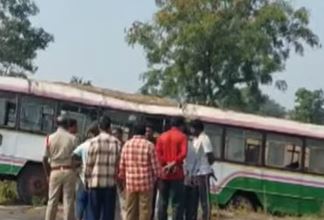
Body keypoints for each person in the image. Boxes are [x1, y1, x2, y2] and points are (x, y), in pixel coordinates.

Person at [118, 123, 161, 220]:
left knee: (130, 211)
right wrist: (158, 178)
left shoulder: (127, 145)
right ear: (144, 133)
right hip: (146, 184)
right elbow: (156, 168)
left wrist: (123, 180)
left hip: (130, 184)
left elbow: (122, 166)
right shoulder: (149, 146)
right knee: (145, 212)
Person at [85, 115, 121, 220]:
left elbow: (89, 165)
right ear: (110, 127)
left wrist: (87, 180)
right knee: (108, 215)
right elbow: (118, 165)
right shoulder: (117, 143)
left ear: (99, 127)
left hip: (95, 183)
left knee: (93, 214)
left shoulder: (93, 142)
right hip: (110, 185)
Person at [43, 115, 78, 220]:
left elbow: (44, 158)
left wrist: (48, 175)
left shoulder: (49, 138)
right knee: (68, 200)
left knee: (52, 200)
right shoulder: (73, 138)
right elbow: (76, 157)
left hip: (54, 170)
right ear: (67, 125)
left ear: (56, 124)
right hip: (69, 170)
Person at [156, 117, 188, 220]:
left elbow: (158, 154)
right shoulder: (182, 137)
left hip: (163, 173)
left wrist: (166, 165)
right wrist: (173, 163)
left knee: (162, 202)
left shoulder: (161, 136)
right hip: (177, 174)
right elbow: (183, 154)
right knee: (177, 203)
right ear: (181, 125)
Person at [188, 120, 215, 220]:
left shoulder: (205, 138)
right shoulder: (195, 139)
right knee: (194, 200)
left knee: (204, 200)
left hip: (203, 173)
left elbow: (210, 156)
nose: (191, 130)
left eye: (192, 128)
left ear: (197, 129)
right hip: (195, 173)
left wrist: (207, 166)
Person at [72, 121, 99, 220]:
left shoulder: (85, 144)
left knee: (80, 203)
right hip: (96, 181)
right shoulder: (102, 145)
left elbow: (73, 155)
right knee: (91, 208)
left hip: (83, 179)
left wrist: (77, 167)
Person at [112, 127, 126, 220]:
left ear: (120, 135)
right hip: (111, 178)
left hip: (121, 178)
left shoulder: (125, 146)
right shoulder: (111, 145)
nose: (114, 136)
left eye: (116, 134)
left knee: (123, 203)